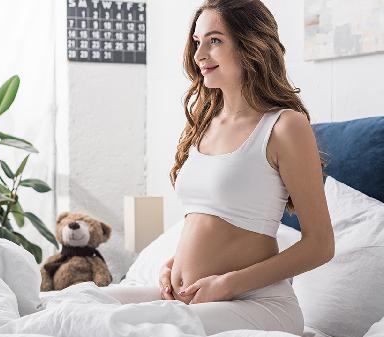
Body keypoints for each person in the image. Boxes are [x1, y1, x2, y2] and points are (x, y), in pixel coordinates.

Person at [101, 0, 335, 335]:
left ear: (250, 45)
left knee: (123, 327)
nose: (199, 55)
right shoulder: (204, 121)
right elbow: (205, 220)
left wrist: (229, 284)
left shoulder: (285, 126)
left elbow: (321, 245)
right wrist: (173, 265)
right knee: (79, 303)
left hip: (256, 305)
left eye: (214, 40)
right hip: (194, 299)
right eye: (197, 42)